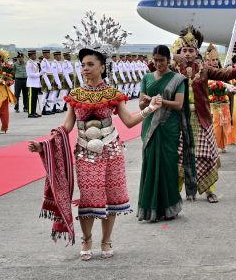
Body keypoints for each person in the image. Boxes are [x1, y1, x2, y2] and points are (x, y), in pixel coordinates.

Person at [30, 47, 162, 259]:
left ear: (102, 67)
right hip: (85, 153)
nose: (85, 68)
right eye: (83, 65)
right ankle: (87, 239)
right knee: (89, 196)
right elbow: (67, 126)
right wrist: (44, 144)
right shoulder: (75, 94)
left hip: (112, 151)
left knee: (112, 197)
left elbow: (129, 122)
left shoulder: (112, 93)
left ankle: (106, 240)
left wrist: (150, 108)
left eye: (90, 64)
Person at [173, 27, 236, 203]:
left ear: (197, 52)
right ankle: (174, 193)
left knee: (207, 155)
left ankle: (209, 191)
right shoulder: (173, 69)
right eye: (184, 50)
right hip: (179, 119)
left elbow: (225, 74)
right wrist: (173, 57)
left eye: (191, 50)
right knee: (179, 156)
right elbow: (153, 66)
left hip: (201, 118)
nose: (187, 54)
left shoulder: (204, 69)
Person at [137, 45, 194, 222]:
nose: (158, 64)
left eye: (162, 60)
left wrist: (161, 102)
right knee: (150, 164)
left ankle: (169, 208)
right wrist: (147, 102)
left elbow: (179, 104)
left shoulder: (178, 79)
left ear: (169, 60)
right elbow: (141, 104)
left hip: (169, 127)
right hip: (150, 126)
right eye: (155, 60)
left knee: (168, 165)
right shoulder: (147, 78)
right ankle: (150, 209)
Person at [25, 49, 43, 118]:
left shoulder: (34, 63)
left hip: (35, 84)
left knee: (35, 99)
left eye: (35, 54)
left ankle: (34, 112)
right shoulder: (29, 64)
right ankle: (30, 113)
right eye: (34, 55)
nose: (35, 56)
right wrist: (39, 74)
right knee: (31, 99)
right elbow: (29, 74)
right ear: (30, 56)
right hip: (31, 84)